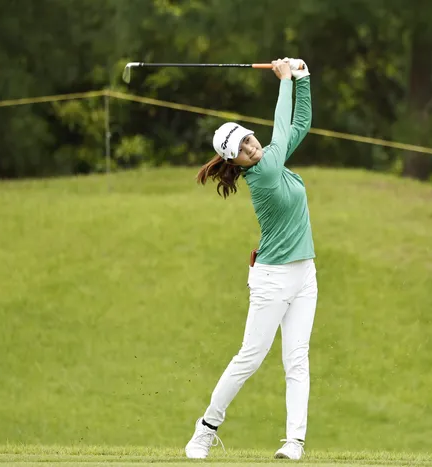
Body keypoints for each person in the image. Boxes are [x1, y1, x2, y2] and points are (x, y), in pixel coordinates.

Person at [185, 58, 316, 461]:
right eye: (241, 150)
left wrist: (303, 79)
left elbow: (300, 124)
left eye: (247, 139)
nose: (249, 147)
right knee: (250, 358)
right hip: (272, 280)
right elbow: (283, 128)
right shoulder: (264, 174)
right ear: (236, 163)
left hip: (304, 274)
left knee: (297, 359)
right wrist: (284, 80)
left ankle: (294, 442)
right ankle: (206, 428)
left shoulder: (271, 156)